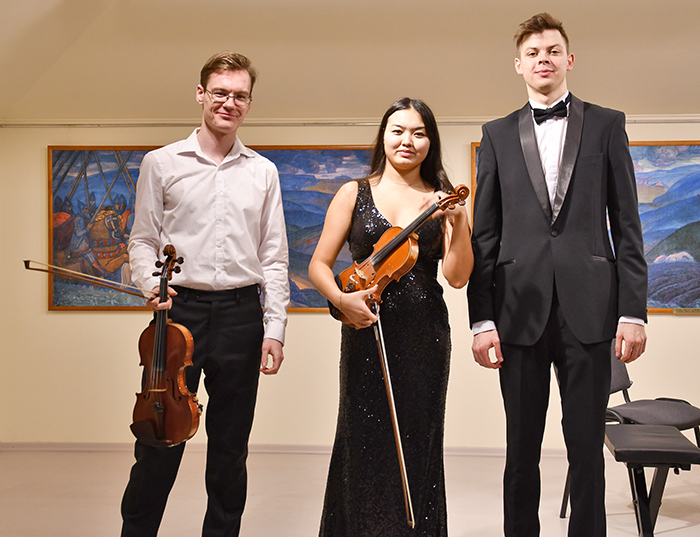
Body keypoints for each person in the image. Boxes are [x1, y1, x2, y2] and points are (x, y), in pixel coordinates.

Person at [467, 13, 648, 537]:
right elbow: (485, 237)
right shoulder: (496, 134)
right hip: (517, 312)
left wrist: (633, 312)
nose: (542, 59)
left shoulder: (608, 124)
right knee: (520, 451)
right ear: (518, 65)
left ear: (569, 59)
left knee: (586, 451)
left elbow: (628, 226)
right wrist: (482, 321)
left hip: (590, 313)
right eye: (533, 53)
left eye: (552, 51)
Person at [122, 51, 290, 537]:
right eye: (220, 93)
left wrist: (275, 328)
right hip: (179, 315)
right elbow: (142, 240)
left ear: (249, 103)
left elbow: (274, 258)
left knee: (230, 451)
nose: (229, 103)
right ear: (201, 94)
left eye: (240, 96)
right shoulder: (161, 163)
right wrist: (149, 282)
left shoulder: (263, 172)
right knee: (158, 442)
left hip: (242, 317)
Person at [309, 97, 473, 536]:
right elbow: (319, 265)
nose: (407, 140)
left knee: (418, 442)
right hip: (366, 330)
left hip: (425, 337)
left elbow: (457, 277)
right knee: (361, 442)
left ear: (430, 142)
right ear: (383, 136)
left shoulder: (442, 201)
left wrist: (459, 223)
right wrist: (340, 299)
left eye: (419, 133)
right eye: (398, 130)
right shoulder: (353, 193)